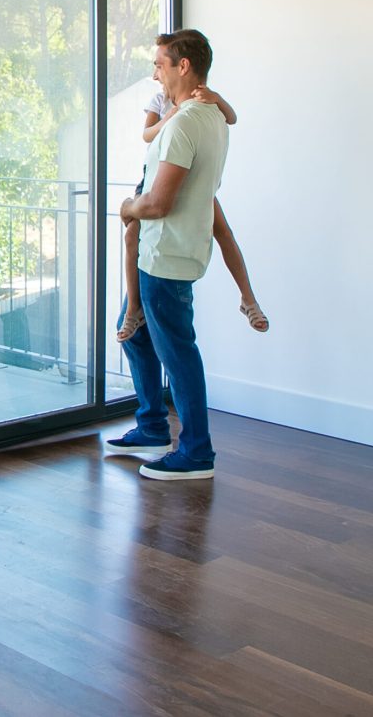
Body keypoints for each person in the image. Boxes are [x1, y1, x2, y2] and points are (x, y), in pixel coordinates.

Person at [108, 29, 228, 480]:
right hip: (165, 254)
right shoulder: (212, 116)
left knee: (178, 356)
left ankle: (196, 452)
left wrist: (128, 207)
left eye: (160, 64)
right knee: (136, 336)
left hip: (165, 257)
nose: (155, 73)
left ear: (183, 66)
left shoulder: (184, 123)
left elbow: (158, 203)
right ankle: (152, 427)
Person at [117, 88, 268, 343]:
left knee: (224, 234)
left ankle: (248, 299)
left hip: (191, 179)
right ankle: (133, 308)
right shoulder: (160, 100)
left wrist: (217, 98)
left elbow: (232, 118)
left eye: (160, 68)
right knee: (132, 236)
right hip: (156, 178)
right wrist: (169, 118)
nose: (157, 75)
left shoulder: (200, 99)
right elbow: (147, 134)